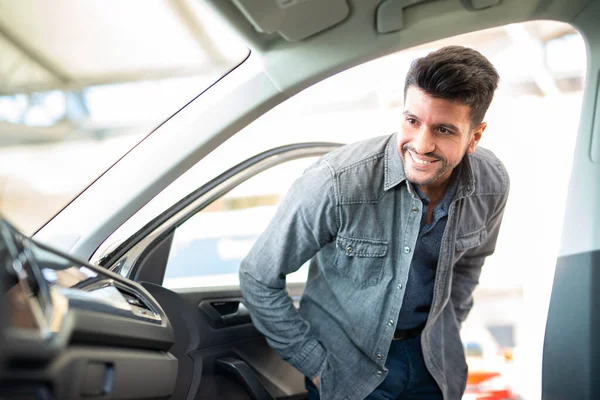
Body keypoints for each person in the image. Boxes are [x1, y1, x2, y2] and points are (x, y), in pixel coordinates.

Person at [239, 46, 509, 400]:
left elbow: (471, 264)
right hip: (349, 370)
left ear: (474, 136)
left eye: (443, 130)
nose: (421, 144)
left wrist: (448, 328)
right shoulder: (337, 182)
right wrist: (317, 365)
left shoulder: (491, 183)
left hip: (435, 366)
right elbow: (258, 276)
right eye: (412, 121)